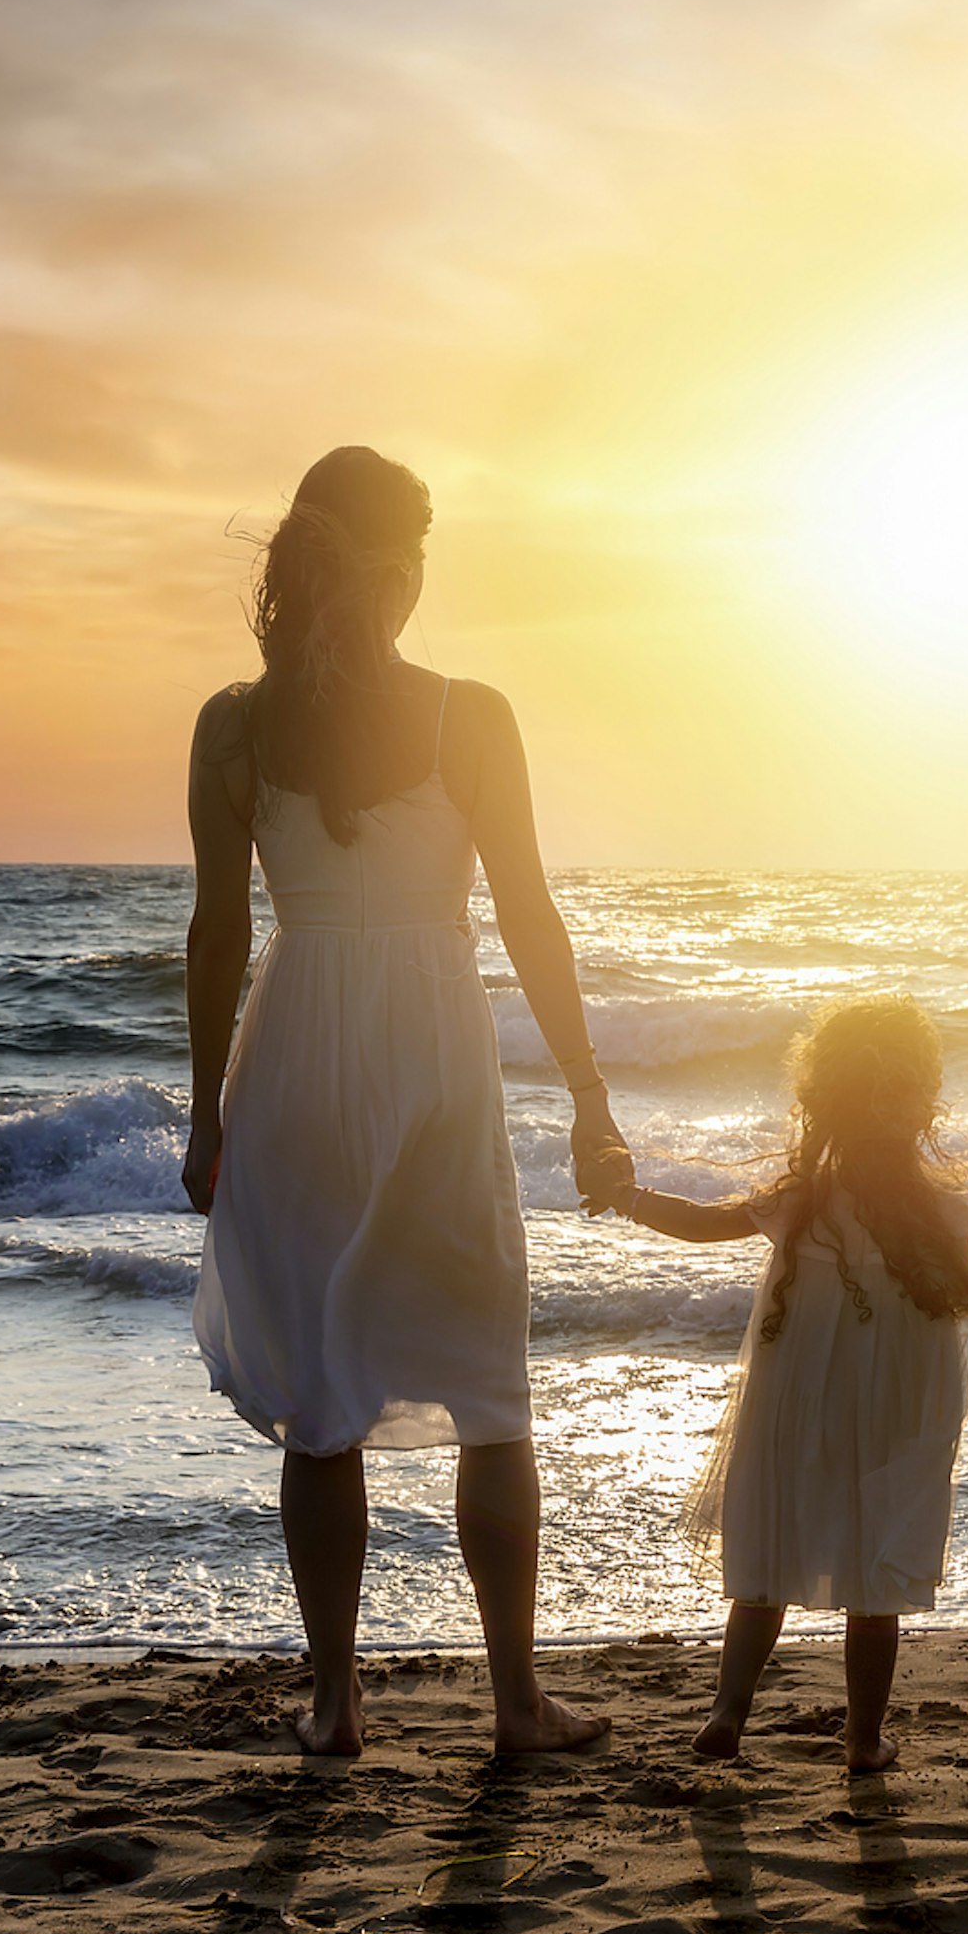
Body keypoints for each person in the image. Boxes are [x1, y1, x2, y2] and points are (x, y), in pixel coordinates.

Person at [183, 445, 633, 1759]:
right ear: (404, 571)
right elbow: (532, 919)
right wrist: (590, 1095)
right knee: (490, 1389)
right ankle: (513, 1703)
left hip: (297, 1057)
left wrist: (209, 1115)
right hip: (435, 1056)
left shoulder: (233, 724)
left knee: (321, 1401)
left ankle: (334, 1701)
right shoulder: (470, 714)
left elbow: (216, 935)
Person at [608, 996, 968, 1775]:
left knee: (766, 1564)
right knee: (875, 1579)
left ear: (820, 1097)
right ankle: (864, 1739)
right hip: (894, 1411)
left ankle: (727, 1716)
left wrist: (626, 1197)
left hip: (798, 1403)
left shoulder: (804, 1199)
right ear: (923, 1100)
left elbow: (702, 1223)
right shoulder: (934, 1209)